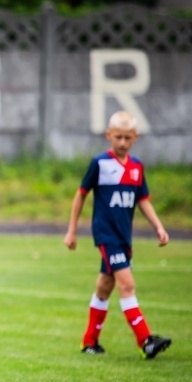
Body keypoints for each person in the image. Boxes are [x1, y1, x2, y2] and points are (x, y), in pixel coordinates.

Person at [64, 110, 171, 359]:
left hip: (124, 237)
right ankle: (145, 341)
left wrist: (158, 226)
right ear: (109, 135)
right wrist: (72, 231)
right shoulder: (100, 164)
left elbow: (142, 200)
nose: (122, 142)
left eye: (127, 138)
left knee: (105, 286)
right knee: (127, 284)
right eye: (118, 137)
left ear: (136, 137)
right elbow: (80, 194)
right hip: (107, 236)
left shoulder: (136, 167)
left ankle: (89, 341)